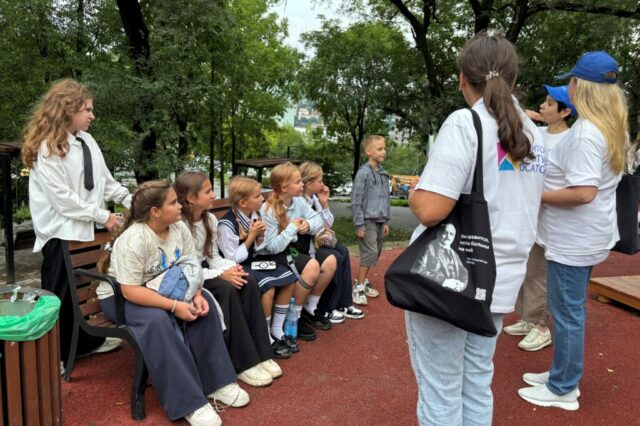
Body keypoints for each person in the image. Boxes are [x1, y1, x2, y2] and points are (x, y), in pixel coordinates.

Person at [406, 32, 544, 425]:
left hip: (451, 276)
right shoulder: (533, 132)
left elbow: (431, 209)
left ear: (462, 79)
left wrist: (416, 192)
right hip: (500, 280)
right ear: (513, 79)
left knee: (441, 388)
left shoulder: (466, 123)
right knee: (477, 382)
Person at [518, 51, 627, 411]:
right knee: (567, 309)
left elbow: (583, 192)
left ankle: (563, 388)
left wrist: (534, 195)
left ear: (581, 85)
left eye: (571, 80)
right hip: (587, 234)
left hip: (573, 239)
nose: (568, 86)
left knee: (566, 313)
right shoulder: (611, 126)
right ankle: (560, 374)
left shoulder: (585, 134)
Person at [97, 180, 249, 426]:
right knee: (158, 320)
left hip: (163, 285)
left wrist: (196, 294)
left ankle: (217, 382)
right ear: (155, 212)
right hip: (121, 296)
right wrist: (175, 307)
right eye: (173, 202)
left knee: (204, 305)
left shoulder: (178, 227)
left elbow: (191, 267)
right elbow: (130, 291)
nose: (180, 206)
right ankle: (189, 402)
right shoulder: (134, 238)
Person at [21, 79, 130, 369]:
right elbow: (63, 200)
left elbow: (106, 182)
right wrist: (104, 216)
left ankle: (83, 344)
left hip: (84, 229)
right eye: (87, 110)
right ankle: (54, 355)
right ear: (67, 110)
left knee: (80, 291)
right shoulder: (47, 148)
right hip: (60, 232)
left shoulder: (87, 141)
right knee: (58, 295)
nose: (92, 115)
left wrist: (134, 201)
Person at [175, 171, 282, 388]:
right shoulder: (180, 226)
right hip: (187, 277)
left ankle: (263, 352)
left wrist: (231, 268)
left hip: (204, 271)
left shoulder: (209, 219)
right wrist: (220, 274)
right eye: (208, 191)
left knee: (247, 279)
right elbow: (186, 267)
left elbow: (213, 257)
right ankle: (244, 362)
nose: (214, 195)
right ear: (191, 198)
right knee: (227, 289)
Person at [504, 85, 576, 352]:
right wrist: (524, 115)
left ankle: (542, 327)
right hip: (530, 216)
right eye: (543, 102)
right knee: (527, 269)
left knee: (541, 274)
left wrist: (538, 196)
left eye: (549, 103)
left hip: (553, 218)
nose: (543, 106)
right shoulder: (539, 134)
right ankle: (528, 317)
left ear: (565, 112)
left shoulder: (571, 141)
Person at [217, 176, 296, 357]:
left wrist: (259, 237)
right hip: (234, 266)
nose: (262, 198)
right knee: (268, 287)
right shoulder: (226, 225)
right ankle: (265, 335)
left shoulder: (254, 215)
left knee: (288, 279)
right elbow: (232, 259)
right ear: (243, 202)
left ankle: (277, 329)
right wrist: (252, 237)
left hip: (252, 261)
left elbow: (259, 248)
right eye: (258, 196)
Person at [259, 162, 332, 342]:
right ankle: (292, 318)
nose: (302, 184)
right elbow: (272, 247)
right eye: (298, 182)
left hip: (293, 249)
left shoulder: (298, 201)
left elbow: (317, 219)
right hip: (273, 255)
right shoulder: (269, 209)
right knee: (312, 267)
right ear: (284, 187)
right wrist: (292, 228)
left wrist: (308, 225)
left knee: (330, 261)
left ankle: (301, 313)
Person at [299, 162, 364, 322]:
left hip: (314, 242)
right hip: (305, 246)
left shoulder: (314, 199)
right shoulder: (300, 201)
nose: (323, 184)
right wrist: (320, 228)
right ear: (309, 183)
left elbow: (328, 223)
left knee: (343, 250)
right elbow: (315, 227)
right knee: (335, 256)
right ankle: (327, 306)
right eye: (319, 181)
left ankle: (344, 303)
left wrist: (324, 203)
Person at [351, 135, 391, 305]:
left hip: (381, 219)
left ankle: (364, 281)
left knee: (376, 253)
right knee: (370, 253)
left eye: (384, 148)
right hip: (367, 220)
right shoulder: (363, 173)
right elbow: (356, 200)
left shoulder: (383, 174)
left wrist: (386, 220)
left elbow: (387, 199)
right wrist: (359, 223)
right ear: (368, 151)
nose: (384, 152)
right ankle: (358, 287)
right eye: (379, 149)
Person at [412, 223, 468, 292]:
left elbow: (464, 271)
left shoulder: (454, 254)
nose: (448, 236)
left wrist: (462, 284)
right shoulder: (429, 247)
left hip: (452, 292)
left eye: (451, 234)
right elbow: (417, 270)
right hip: (433, 291)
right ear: (438, 233)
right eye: (445, 233)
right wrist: (444, 281)